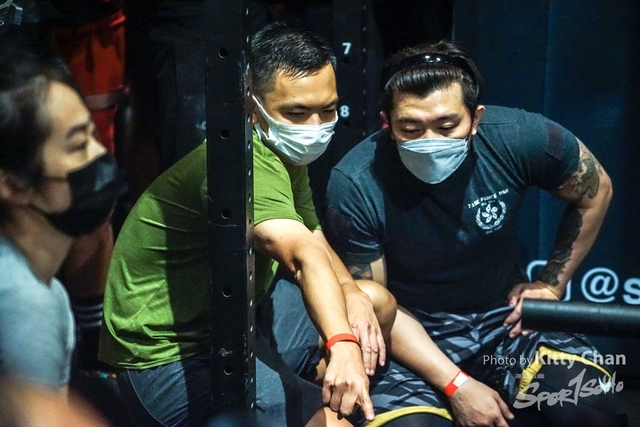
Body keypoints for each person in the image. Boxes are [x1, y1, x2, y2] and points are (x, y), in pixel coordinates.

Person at [99, 22, 396, 427]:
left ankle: (307, 392)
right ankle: (306, 402)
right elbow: (302, 256)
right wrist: (341, 342)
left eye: (327, 109)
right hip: (168, 362)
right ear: (251, 106)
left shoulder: (283, 152)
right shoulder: (239, 163)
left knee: (373, 301)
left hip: (240, 318)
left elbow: (312, 234)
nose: (314, 126)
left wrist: (349, 292)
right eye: (296, 113)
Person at [324, 40, 627, 426]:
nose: (430, 141)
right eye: (410, 128)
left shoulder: (519, 137)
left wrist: (551, 285)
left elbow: (596, 190)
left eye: (447, 126)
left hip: (505, 323)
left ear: (476, 118)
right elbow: (376, 308)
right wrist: (457, 384)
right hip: (409, 340)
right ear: (388, 123)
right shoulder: (355, 182)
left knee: (587, 408)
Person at [0, 47, 121, 397]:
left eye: (94, 136)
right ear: (14, 186)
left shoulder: (41, 289)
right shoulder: (25, 307)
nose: (100, 156)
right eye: (78, 145)